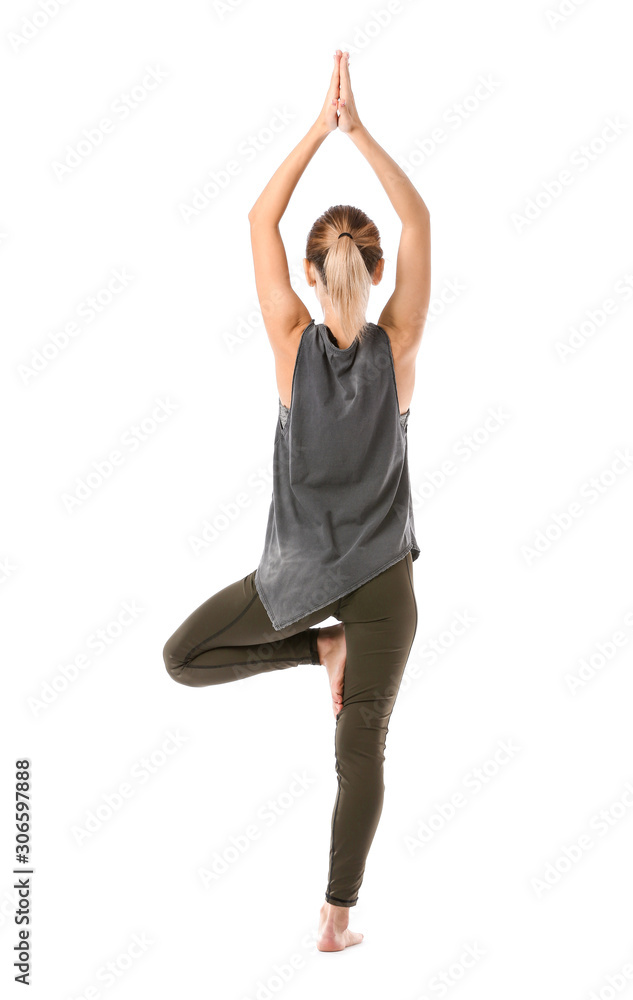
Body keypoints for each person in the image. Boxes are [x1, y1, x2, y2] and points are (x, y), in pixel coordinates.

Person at [163, 49, 431, 952]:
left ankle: (317, 642)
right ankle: (336, 921)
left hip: (299, 573)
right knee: (361, 750)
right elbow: (419, 214)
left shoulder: (288, 340)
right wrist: (365, 134)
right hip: (383, 582)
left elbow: (257, 216)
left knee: (184, 656)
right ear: (378, 271)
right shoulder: (400, 346)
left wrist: (323, 128)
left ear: (313, 277)